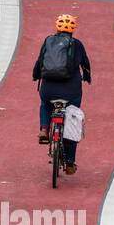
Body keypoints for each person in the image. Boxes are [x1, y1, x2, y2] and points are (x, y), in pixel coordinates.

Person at [32, 13, 91, 175]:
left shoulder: (48, 41)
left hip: (48, 88)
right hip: (71, 90)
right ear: (73, 29)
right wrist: (87, 76)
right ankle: (70, 163)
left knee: (45, 105)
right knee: (72, 121)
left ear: (57, 27)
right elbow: (85, 64)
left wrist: (36, 75)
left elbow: (39, 62)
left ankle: (44, 129)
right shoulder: (77, 44)